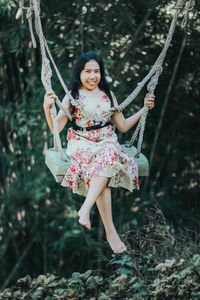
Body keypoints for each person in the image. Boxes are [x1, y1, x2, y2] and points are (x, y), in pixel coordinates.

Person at [43, 51, 155, 253]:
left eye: (97, 71)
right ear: (79, 73)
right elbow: (56, 128)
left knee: (109, 156)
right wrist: (46, 107)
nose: (93, 76)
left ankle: (86, 209)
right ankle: (110, 231)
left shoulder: (108, 95)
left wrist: (143, 110)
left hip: (106, 141)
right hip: (82, 142)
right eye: (88, 72)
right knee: (105, 169)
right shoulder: (72, 96)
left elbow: (122, 126)